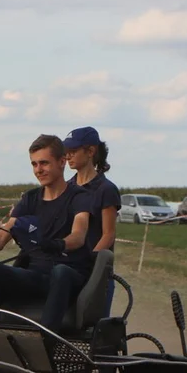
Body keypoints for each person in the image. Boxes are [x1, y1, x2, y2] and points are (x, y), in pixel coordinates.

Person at [0, 134, 93, 333]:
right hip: (37, 277)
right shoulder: (30, 199)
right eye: (34, 164)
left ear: (62, 162)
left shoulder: (79, 197)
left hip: (69, 277)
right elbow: (1, 237)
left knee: (60, 272)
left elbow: (79, 235)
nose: (38, 170)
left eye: (44, 163)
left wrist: (59, 244)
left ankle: (45, 340)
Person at [65, 126, 121, 314]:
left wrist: (91, 264)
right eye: (66, 152)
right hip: (69, 271)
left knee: (94, 331)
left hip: (96, 275)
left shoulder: (105, 189)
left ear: (90, 151)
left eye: (73, 151)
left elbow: (109, 234)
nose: (68, 157)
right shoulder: (67, 188)